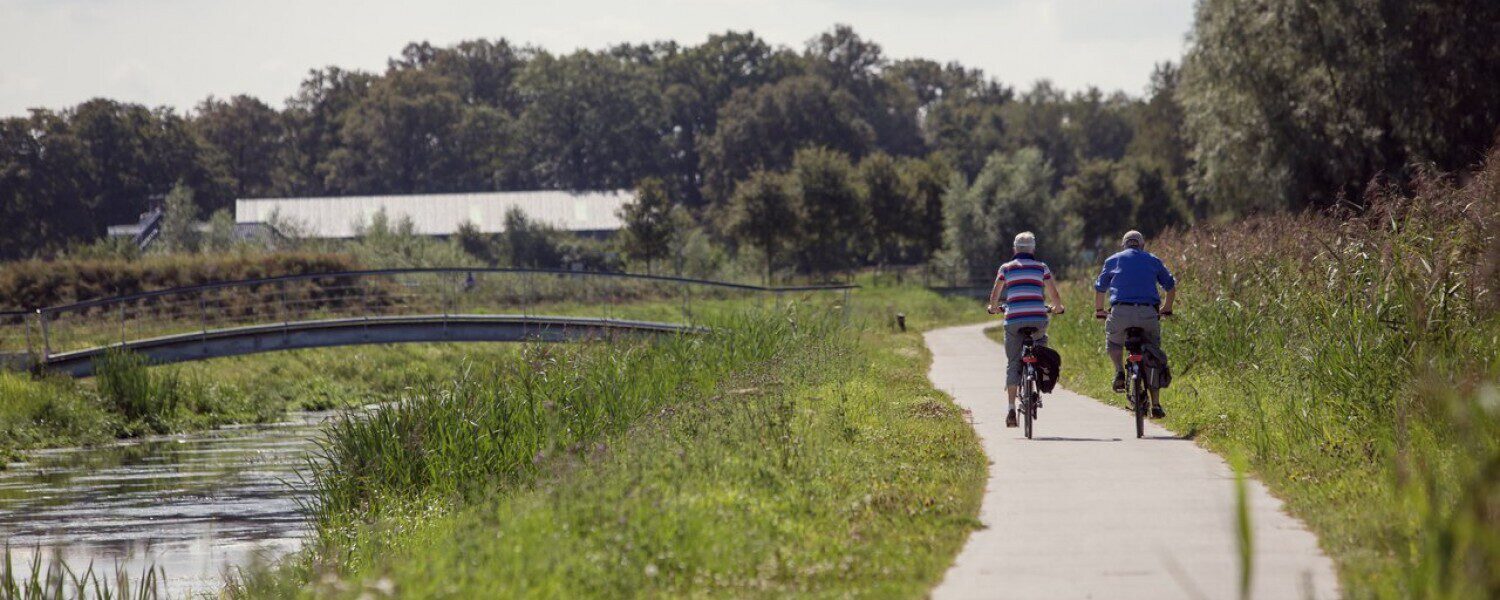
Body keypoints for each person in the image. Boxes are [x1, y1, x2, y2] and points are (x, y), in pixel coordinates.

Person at [1093, 230, 1176, 418]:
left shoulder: (1113, 259)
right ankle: (1156, 404)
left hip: (1121, 312)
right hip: (1148, 313)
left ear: (1124, 245)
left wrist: (1099, 311)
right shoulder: (1153, 260)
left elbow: (1100, 288)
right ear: (1142, 245)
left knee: (1114, 342)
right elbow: (1170, 286)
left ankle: (1119, 372)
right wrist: (1166, 308)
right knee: (1153, 355)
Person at [987, 232, 1065, 428]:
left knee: (1013, 362)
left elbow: (995, 294)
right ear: (1033, 249)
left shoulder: (1006, 268)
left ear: (1015, 249)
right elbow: (1054, 294)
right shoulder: (1042, 267)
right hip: (1038, 319)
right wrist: (1058, 308)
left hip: (1013, 320)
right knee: (1040, 342)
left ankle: (1011, 408)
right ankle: (1038, 372)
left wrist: (993, 308)